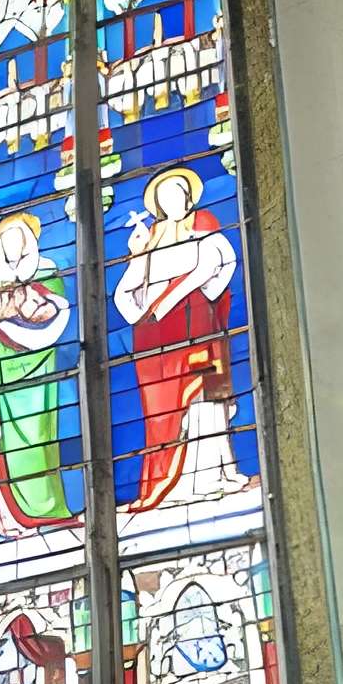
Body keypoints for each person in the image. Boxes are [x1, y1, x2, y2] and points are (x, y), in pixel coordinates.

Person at [112, 166, 249, 513]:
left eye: (178, 193)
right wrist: (139, 255)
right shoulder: (151, 238)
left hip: (198, 322)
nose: (172, 200)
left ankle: (214, 473)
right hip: (156, 337)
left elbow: (217, 264)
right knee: (163, 409)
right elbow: (128, 295)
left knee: (206, 396)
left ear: (189, 197)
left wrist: (175, 295)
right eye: (165, 196)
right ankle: (171, 484)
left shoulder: (204, 224)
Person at [0, 210, 75, 542]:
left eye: (18, 240)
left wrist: (7, 318)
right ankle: (1, 519)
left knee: (35, 441)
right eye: (6, 242)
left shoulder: (46, 273)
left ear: (29, 243)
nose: (13, 248)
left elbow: (54, 316)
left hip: (32, 384)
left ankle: (42, 511)